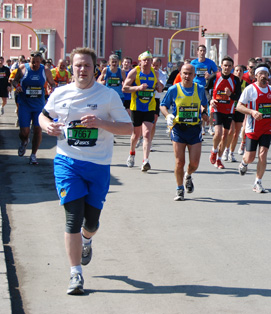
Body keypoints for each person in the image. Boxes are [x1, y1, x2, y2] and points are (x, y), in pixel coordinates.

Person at [38, 47, 132, 295]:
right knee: (73, 218)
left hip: (99, 165)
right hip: (67, 162)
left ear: (94, 68)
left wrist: (101, 123)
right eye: (78, 65)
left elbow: (128, 128)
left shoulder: (108, 96)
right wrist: (48, 126)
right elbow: (43, 116)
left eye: (87, 66)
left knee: (91, 222)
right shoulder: (60, 93)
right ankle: (75, 274)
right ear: (72, 67)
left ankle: (87, 241)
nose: (82, 70)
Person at [160, 63, 208, 201]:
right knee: (179, 162)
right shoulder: (174, 89)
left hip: (194, 129)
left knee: (194, 163)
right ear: (180, 74)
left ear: (194, 75)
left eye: (190, 74)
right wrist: (167, 115)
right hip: (178, 128)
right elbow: (163, 105)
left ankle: (188, 175)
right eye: (184, 73)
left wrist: (205, 113)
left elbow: (204, 104)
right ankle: (180, 189)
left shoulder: (199, 89)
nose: (187, 76)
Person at [236, 63, 271, 193]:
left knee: (263, 154)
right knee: (250, 157)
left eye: (265, 74)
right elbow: (239, 106)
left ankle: (258, 182)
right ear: (256, 76)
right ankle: (244, 163)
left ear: (268, 76)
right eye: (260, 74)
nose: (263, 76)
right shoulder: (250, 89)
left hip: (267, 127)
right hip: (252, 128)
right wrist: (252, 112)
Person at [12, 51, 56, 164]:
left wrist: (52, 89)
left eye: (37, 62)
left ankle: (33, 155)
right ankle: (24, 141)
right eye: (33, 62)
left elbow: (52, 83)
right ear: (29, 60)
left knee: (38, 130)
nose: (35, 64)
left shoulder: (45, 71)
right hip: (24, 104)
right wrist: (17, 86)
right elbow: (14, 80)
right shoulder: (23, 68)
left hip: (38, 106)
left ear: (40, 61)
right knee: (24, 132)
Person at [122, 51, 164, 171]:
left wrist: (159, 87)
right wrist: (138, 88)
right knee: (136, 135)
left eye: (149, 60)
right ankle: (132, 153)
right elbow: (125, 88)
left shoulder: (155, 73)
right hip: (136, 107)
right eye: (144, 60)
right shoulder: (135, 71)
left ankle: (145, 160)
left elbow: (160, 88)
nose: (147, 62)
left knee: (146, 134)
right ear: (140, 61)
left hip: (150, 107)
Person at [205, 56, 240, 169]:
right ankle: (214, 150)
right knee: (218, 133)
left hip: (229, 110)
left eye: (229, 66)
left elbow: (238, 96)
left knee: (225, 135)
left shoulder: (235, 80)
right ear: (221, 66)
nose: (227, 68)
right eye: (225, 65)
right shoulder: (215, 77)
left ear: (232, 67)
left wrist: (231, 95)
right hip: (217, 108)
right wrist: (211, 100)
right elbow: (206, 89)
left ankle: (219, 160)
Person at [190, 44, 218, 134]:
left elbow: (217, 74)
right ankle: (201, 127)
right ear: (197, 52)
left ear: (205, 52)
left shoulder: (210, 63)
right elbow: (188, 73)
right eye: (200, 51)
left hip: (206, 88)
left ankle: (209, 127)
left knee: (208, 107)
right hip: (195, 87)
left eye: (204, 51)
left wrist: (210, 76)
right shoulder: (193, 63)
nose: (202, 52)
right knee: (197, 106)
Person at [224, 64, 248, 162]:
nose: (238, 72)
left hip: (240, 110)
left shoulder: (246, 84)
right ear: (234, 72)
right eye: (237, 70)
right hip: (230, 109)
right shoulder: (230, 82)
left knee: (236, 133)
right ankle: (226, 150)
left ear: (243, 73)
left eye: (240, 71)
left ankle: (231, 153)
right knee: (231, 131)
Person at [150, 57, 167, 150]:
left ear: (160, 65)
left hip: (155, 99)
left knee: (154, 122)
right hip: (146, 98)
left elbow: (160, 89)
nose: (155, 67)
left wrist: (156, 78)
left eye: (157, 65)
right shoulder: (146, 72)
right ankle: (142, 136)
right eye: (153, 65)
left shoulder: (162, 74)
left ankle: (149, 142)